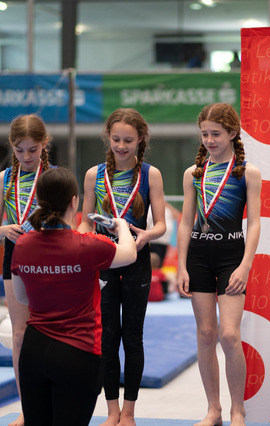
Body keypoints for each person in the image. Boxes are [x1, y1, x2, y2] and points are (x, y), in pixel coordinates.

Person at [11, 167, 137, 426]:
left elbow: (22, 298)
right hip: (77, 351)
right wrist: (122, 227)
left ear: (38, 201)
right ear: (74, 201)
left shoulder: (22, 244)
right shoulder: (87, 244)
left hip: (34, 351)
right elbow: (130, 253)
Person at [78, 108, 166, 426]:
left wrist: (146, 236)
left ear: (140, 139)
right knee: (107, 337)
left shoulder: (150, 175)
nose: (121, 146)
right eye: (116, 139)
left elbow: (161, 225)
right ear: (108, 137)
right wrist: (83, 242)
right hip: (103, 260)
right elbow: (85, 222)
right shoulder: (94, 175)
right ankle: (111, 410)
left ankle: (129, 412)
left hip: (136, 260)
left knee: (132, 337)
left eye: (128, 140)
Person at [177, 103, 261, 426]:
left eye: (216, 134)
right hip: (199, 257)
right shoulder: (193, 174)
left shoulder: (247, 173)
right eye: (205, 134)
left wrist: (245, 266)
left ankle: (238, 408)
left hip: (231, 259)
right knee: (205, 334)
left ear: (232, 133)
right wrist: (181, 266)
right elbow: (186, 222)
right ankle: (214, 410)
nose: (210, 140)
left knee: (229, 335)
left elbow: (254, 223)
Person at [0, 113, 51, 426]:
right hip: (14, 253)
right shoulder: (4, 179)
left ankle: (52, 401)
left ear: (44, 144)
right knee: (19, 335)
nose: (26, 156)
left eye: (32, 150)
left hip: (49, 255)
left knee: (49, 332)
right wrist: (5, 229)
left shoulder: (53, 177)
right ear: (11, 146)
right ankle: (27, 408)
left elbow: (69, 221)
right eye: (19, 150)